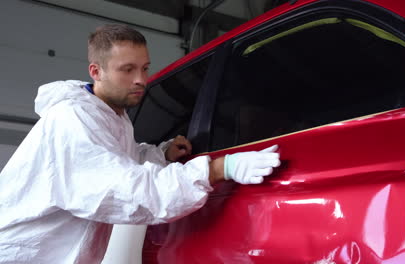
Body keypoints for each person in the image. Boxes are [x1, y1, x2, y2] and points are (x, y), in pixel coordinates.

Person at [0, 24, 281, 263]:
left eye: (145, 68)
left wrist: (161, 154)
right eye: (128, 69)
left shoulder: (114, 115)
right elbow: (128, 189)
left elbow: (124, 159)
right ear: (96, 71)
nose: (140, 80)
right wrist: (218, 168)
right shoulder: (72, 121)